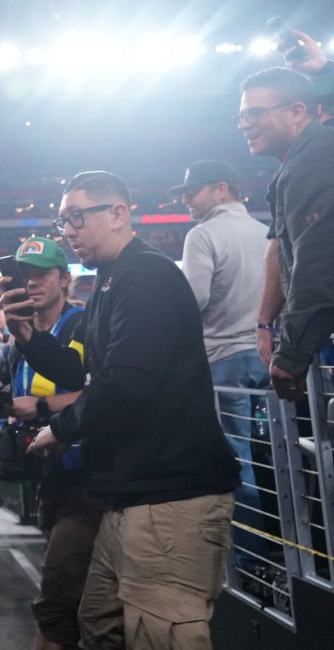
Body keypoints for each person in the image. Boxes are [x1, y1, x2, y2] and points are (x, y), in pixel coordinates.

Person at [27, 171, 240, 648]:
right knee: (103, 624)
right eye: (63, 221)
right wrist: (29, 339)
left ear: (119, 214)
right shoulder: (110, 280)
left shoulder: (146, 275)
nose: (70, 232)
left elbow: (126, 384)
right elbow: (81, 373)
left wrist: (59, 427)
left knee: (161, 631)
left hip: (171, 491)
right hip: (131, 490)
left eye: (78, 217)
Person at [0, 236, 100, 650]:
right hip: (49, 479)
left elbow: (102, 391)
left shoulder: (82, 323)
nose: (33, 283)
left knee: (56, 606)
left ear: (65, 278)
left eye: (42, 274)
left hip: (87, 480)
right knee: (79, 602)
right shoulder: (18, 340)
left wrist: (40, 408)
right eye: (25, 276)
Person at [170, 160, 271, 568]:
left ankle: (249, 563)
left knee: (236, 462)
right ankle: (283, 553)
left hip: (222, 360)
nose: (186, 198)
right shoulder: (265, 232)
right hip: (266, 356)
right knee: (274, 457)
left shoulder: (203, 234)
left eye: (192, 191)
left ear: (221, 189)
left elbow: (193, 300)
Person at [237, 67, 334, 401]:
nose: (244, 124)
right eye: (241, 116)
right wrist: (265, 323)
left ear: (297, 111)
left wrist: (291, 355)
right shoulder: (298, 164)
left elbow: (319, 263)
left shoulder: (318, 159)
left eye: (254, 113)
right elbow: (280, 248)